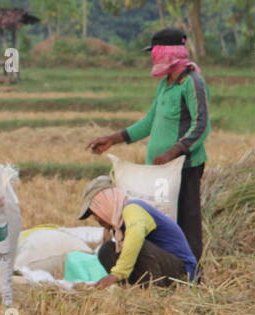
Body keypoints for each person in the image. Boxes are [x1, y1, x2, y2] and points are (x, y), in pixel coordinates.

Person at [85, 27, 210, 262]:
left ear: (167, 53)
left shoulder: (192, 83)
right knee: (163, 219)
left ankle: (192, 271)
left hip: (184, 167)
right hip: (162, 170)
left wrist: (174, 151)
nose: (153, 57)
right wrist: (113, 138)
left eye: (155, 52)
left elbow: (201, 124)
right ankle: (166, 266)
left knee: (186, 220)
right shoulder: (166, 84)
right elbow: (150, 121)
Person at [77, 175, 197, 288]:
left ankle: (154, 291)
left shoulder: (133, 209)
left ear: (105, 204)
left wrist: (117, 274)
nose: (96, 219)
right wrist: (107, 231)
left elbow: (135, 238)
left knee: (137, 245)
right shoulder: (119, 224)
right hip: (161, 268)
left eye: (95, 213)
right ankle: (130, 290)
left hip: (182, 273)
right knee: (106, 250)